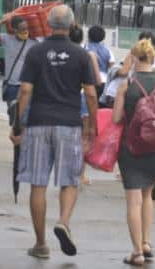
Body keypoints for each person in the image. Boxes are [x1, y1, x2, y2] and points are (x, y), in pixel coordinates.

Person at [11, 6, 97, 259]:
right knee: (70, 180)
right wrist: (92, 126)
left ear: (48, 24)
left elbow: (25, 90)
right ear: (72, 26)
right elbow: (91, 93)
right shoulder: (81, 55)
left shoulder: (36, 52)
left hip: (38, 124)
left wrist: (17, 124)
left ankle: (40, 244)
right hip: (69, 125)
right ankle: (63, 221)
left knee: (38, 183)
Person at [112, 39, 155, 266]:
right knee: (148, 195)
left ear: (136, 58)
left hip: (131, 149)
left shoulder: (126, 86)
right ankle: (147, 243)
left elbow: (116, 118)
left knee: (133, 200)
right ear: (152, 58)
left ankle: (137, 252)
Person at [0, 14, 38, 123]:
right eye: (22, 29)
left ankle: (22, 136)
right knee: (14, 120)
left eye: (26, 28)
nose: (25, 31)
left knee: (24, 120)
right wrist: (2, 21)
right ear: (14, 30)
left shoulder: (33, 43)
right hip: (12, 87)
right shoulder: (7, 39)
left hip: (26, 87)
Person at [69, 25, 102, 187]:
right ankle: (80, 174)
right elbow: (96, 81)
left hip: (64, 103)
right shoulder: (88, 55)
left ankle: (68, 171)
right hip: (83, 101)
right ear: (82, 38)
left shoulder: (61, 54)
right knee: (83, 139)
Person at [86, 25, 115, 97]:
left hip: (89, 82)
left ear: (88, 36)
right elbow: (112, 68)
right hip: (104, 83)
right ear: (103, 37)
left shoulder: (84, 48)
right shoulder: (108, 51)